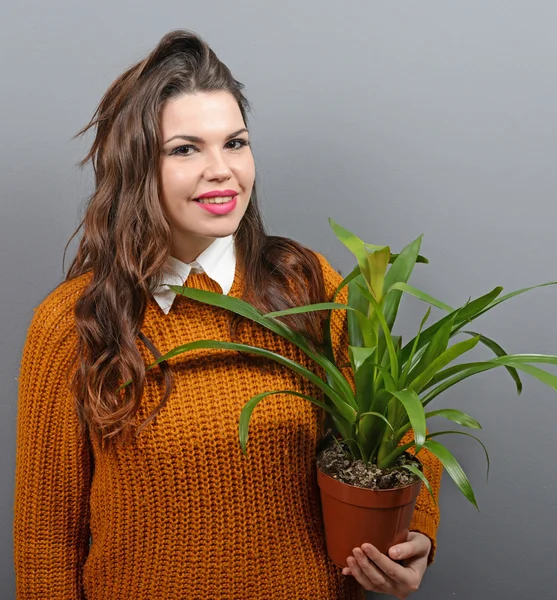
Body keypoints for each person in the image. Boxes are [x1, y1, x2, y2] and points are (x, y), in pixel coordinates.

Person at [13, 29, 442, 599]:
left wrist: (418, 534)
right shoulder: (74, 323)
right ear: (136, 166)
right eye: (185, 149)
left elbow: (398, 427)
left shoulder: (306, 284)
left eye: (235, 143)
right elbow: (47, 543)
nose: (222, 170)